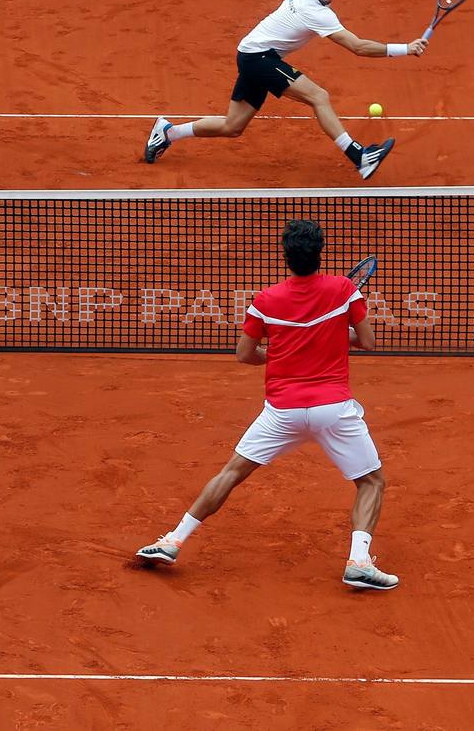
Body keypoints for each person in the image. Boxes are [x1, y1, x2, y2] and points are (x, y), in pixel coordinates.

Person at [136, 220, 398, 590]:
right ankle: (358, 561)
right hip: (333, 410)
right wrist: (333, 331)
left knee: (231, 472)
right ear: (318, 254)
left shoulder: (265, 300)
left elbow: (245, 355)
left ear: (286, 256)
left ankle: (172, 541)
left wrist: (279, 350)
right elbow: (367, 341)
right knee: (371, 481)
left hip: (282, 412)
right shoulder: (343, 290)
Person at [144, 0, 428, 180]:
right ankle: (359, 157)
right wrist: (406, 48)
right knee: (319, 96)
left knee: (233, 127)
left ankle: (167, 132)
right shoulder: (317, 13)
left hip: (249, 51)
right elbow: (358, 47)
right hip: (259, 57)